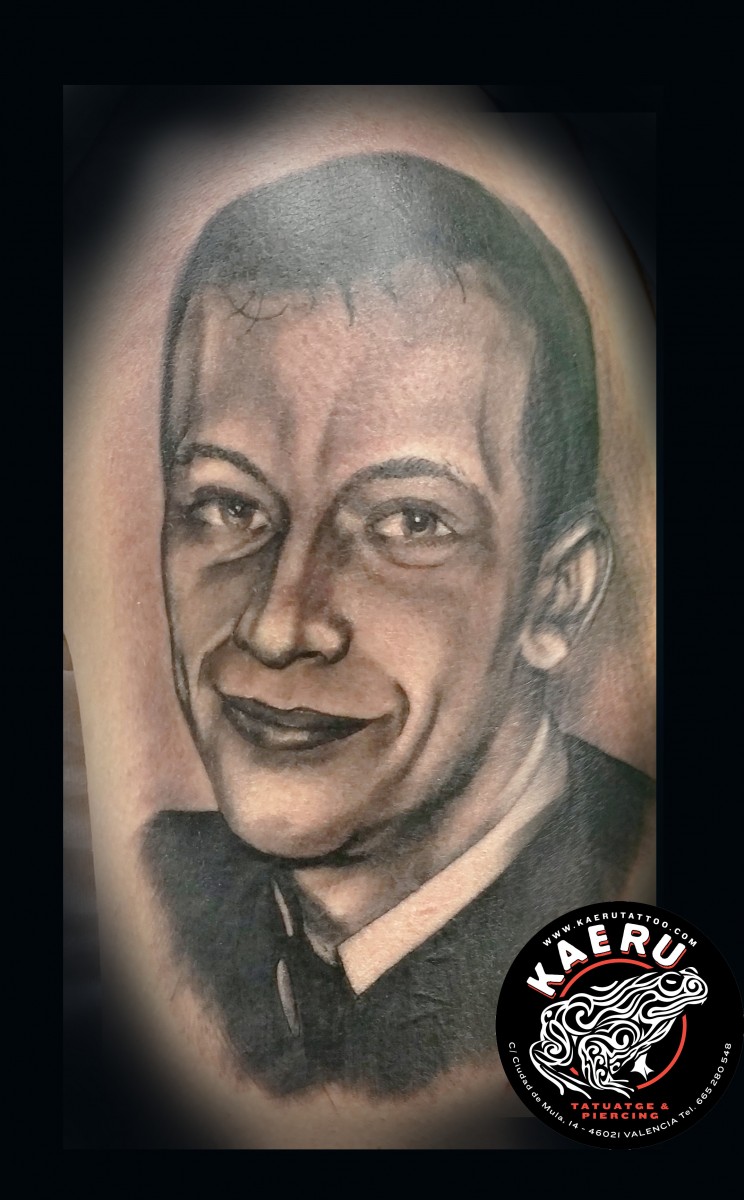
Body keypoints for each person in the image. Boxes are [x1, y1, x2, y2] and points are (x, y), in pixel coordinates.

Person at [141, 151, 654, 1096]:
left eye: (410, 523)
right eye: (227, 506)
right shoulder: (148, 893)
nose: (279, 625)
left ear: (557, 595)